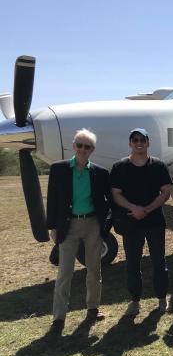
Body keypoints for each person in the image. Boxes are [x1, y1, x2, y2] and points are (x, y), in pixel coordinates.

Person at [46, 129, 111, 329]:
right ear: (74, 146)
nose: (83, 149)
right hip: (69, 225)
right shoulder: (58, 169)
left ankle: (93, 309)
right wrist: (53, 227)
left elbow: (107, 201)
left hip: (92, 224)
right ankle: (59, 317)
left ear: (92, 150)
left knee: (94, 269)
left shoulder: (100, 173)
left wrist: (105, 226)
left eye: (87, 146)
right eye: (80, 145)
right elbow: (52, 200)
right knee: (65, 272)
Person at [110, 128, 173, 316]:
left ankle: (162, 298)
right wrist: (134, 209)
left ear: (148, 143)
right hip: (131, 223)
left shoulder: (158, 166)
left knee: (159, 262)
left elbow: (166, 192)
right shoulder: (120, 167)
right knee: (132, 264)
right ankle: (135, 301)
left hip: (154, 221)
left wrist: (147, 209)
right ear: (130, 143)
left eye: (142, 140)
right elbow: (116, 194)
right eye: (135, 139)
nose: (139, 143)